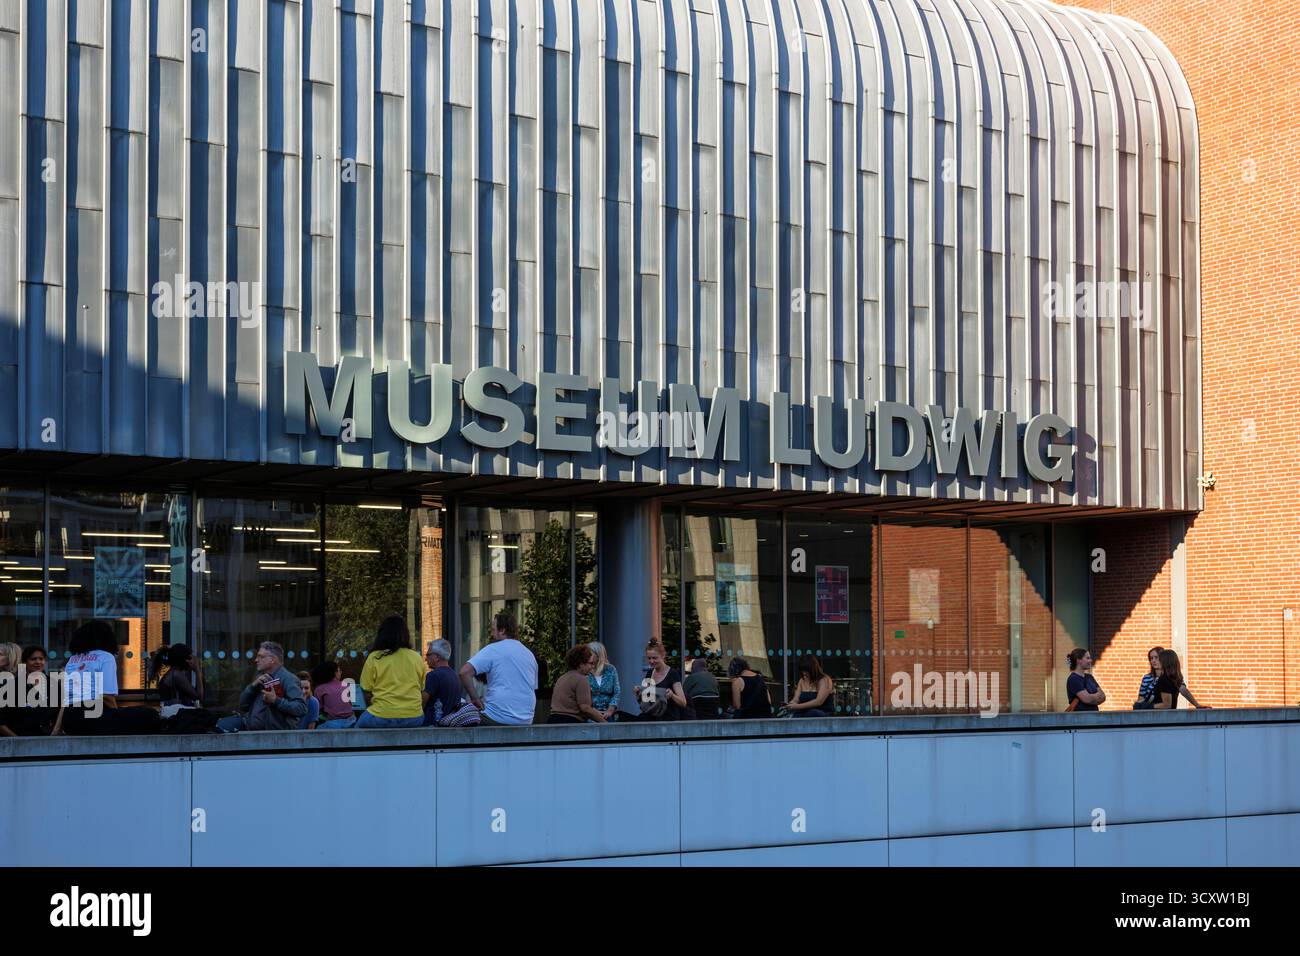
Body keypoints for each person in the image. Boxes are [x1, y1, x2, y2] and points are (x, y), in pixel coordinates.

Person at [53, 621, 159, 735]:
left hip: (70, 721)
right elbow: (106, 696)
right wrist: (116, 715)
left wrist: (56, 729)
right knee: (150, 714)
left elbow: (67, 699)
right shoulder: (106, 657)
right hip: (94, 717)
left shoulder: (72, 660)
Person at [459, 612, 538, 726]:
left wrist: (475, 699)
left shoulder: (493, 649)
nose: (491, 634)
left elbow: (464, 672)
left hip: (496, 717)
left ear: (502, 631)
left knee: (455, 715)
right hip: (526, 720)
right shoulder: (529, 654)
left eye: (493, 630)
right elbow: (531, 688)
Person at [218, 641, 308, 732]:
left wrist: (275, 700)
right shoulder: (259, 677)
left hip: (275, 737)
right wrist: (252, 686)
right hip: (252, 733)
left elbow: (301, 708)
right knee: (221, 726)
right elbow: (242, 705)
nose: (256, 660)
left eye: (261, 656)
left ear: (272, 660)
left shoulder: (288, 679)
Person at [356, 616, 427, 729]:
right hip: (415, 718)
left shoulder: (375, 657)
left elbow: (366, 690)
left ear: (382, 635)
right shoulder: (416, 658)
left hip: (381, 716)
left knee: (357, 728)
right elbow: (421, 690)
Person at [422, 639, 478, 726]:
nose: (426, 659)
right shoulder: (454, 675)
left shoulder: (433, 675)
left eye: (428, 655)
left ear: (437, 657)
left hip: (432, 726)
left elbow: (423, 701)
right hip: (450, 727)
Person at [1135, 646, 1210, 709]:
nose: (1153, 661)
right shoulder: (1147, 677)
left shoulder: (1171, 677)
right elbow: (1141, 699)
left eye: (1157, 657)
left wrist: (1197, 705)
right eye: (1151, 658)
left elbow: (1183, 690)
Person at [548, 644, 607, 724]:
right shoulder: (581, 679)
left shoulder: (562, 678)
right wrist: (605, 724)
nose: (592, 667)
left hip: (553, 721)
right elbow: (585, 708)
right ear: (581, 664)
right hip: (569, 723)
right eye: (591, 663)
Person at [635, 640, 689, 721]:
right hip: (653, 715)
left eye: (654, 658)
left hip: (668, 718)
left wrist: (672, 695)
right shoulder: (649, 673)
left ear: (663, 656)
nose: (651, 661)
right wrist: (639, 692)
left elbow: (683, 703)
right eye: (649, 658)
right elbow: (646, 701)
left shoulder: (672, 674)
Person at [152, 644, 204, 709]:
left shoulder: (172, 673)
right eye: (190, 658)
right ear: (185, 660)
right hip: (175, 714)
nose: (192, 661)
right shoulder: (176, 675)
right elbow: (199, 697)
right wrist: (197, 670)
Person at [311, 661, 357, 728]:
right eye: (339, 670)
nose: (341, 672)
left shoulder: (319, 689)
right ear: (334, 673)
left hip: (333, 723)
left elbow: (318, 711)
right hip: (352, 720)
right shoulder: (345, 685)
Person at [586, 641, 621, 721]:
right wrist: (593, 712)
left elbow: (617, 692)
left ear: (598, 654)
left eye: (590, 654)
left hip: (608, 713)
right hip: (590, 714)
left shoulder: (611, 669)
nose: (587, 656)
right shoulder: (586, 670)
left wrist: (610, 710)